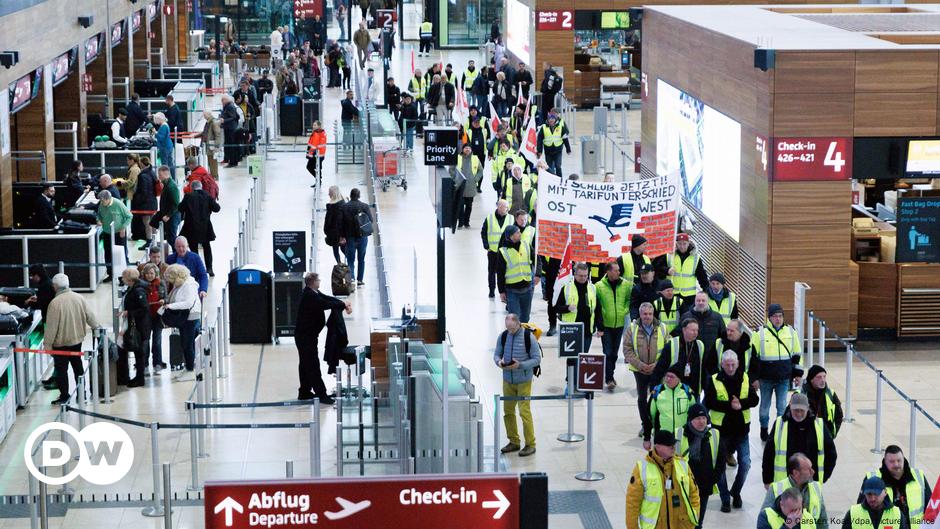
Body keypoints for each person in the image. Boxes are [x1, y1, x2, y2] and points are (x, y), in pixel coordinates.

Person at [704, 351, 760, 512]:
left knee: (746, 464)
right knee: (720, 467)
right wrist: (730, 405)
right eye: (727, 364)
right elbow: (709, 401)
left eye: (733, 364)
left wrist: (741, 404)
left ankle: (736, 491)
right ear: (722, 365)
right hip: (720, 431)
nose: (730, 367)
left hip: (741, 430)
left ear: (737, 364)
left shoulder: (745, 378)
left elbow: (754, 400)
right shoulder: (714, 379)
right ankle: (724, 498)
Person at [295, 272, 351, 404]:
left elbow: (327, 298)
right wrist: (341, 305)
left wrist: (342, 303)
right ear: (313, 282)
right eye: (318, 280)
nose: (320, 282)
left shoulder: (313, 292)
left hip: (309, 336)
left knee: (305, 364)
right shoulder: (309, 296)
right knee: (312, 364)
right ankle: (322, 394)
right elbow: (324, 304)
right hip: (305, 337)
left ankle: (304, 392)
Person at [626, 429, 700, 529]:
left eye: (673, 444)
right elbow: (632, 503)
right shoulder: (642, 468)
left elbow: (694, 493)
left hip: (682, 526)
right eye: (669, 446)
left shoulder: (683, 464)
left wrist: (694, 516)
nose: (673, 448)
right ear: (657, 446)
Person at [44, 273, 98, 404]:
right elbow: (90, 316)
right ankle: (82, 394)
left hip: (60, 344)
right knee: (78, 367)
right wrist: (97, 328)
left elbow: (51, 327)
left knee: (61, 371)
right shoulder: (79, 298)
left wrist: (48, 345)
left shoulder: (55, 303)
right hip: (77, 340)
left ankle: (64, 396)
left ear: (55, 286)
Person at [762, 393, 837, 485]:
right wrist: (767, 480)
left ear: (807, 408)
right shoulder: (779, 424)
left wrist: (823, 477)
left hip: (811, 482)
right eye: (795, 410)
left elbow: (831, 453)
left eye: (802, 410)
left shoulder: (819, 425)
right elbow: (768, 454)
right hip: (784, 483)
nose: (799, 413)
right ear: (790, 407)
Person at [494, 313, 541, 457]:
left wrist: (520, 365)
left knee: (524, 412)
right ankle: (513, 441)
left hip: (524, 381)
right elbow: (496, 355)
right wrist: (499, 362)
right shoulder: (503, 336)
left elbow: (537, 359)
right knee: (508, 412)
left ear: (518, 324)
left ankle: (530, 444)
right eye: (508, 328)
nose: (510, 331)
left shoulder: (528, 337)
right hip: (507, 380)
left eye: (512, 329)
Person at [757, 304, 803, 441]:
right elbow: (754, 356)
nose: (778, 319)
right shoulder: (760, 333)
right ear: (769, 318)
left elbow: (797, 355)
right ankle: (764, 429)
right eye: (775, 316)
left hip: (783, 378)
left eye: (780, 316)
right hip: (765, 379)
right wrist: (753, 378)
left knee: (781, 407)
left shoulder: (790, 332)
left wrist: (798, 375)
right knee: (764, 408)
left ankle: (780, 431)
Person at [624, 302, 669, 438]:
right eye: (644, 314)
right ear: (640, 314)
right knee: (642, 398)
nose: (647, 317)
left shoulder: (663, 328)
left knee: (658, 398)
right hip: (640, 371)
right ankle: (645, 425)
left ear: (653, 314)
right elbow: (627, 349)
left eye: (650, 314)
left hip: (658, 370)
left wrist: (656, 365)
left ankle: (658, 424)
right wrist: (640, 365)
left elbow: (668, 350)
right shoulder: (632, 328)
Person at [858, 445, 930, 528]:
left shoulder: (918, 476)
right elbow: (861, 509)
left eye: (899, 460)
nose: (896, 464)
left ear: (903, 459)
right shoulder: (872, 478)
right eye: (892, 461)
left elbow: (931, 507)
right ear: (885, 461)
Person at [679, 403, 724, 528]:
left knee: (698, 522)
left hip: (704, 486)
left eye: (704, 418)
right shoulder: (679, 434)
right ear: (690, 420)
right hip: (683, 486)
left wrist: (713, 478)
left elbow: (721, 459)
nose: (701, 421)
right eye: (698, 418)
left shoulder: (714, 434)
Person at [762, 454, 827, 529]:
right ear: (796, 473)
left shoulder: (816, 487)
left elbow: (822, 521)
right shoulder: (776, 489)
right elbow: (764, 521)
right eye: (808, 469)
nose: (813, 471)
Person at [596, 260, 630, 391]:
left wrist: (624, 310)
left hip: (620, 324)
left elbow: (628, 300)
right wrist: (599, 326)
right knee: (608, 352)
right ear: (608, 271)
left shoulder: (626, 285)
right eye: (616, 270)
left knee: (615, 354)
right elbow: (597, 307)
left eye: (619, 270)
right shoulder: (599, 286)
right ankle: (609, 378)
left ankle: (610, 375)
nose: (619, 272)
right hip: (606, 325)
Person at [160, 264, 201, 372]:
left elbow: (188, 303)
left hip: (190, 317)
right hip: (184, 317)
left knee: (187, 344)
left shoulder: (188, 285)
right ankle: (189, 366)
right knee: (185, 343)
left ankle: (190, 368)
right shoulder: (180, 284)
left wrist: (170, 306)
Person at [555, 263, 602, 353]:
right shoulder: (566, 288)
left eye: (585, 276)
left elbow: (597, 309)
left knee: (583, 358)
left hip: (587, 330)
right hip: (571, 330)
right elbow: (557, 308)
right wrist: (567, 308)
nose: (583, 278)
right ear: (575, 275)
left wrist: (600, 328)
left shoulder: (592, 288)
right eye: (580, 276)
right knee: (572, 360)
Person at [645, 365, 695, 449]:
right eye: (667, 376)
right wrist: (647, 438)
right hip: (662, 436)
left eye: (672, 377)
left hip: (682, 436)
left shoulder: (687, 392)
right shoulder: (657, 392)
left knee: (682, 461)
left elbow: (694, 415)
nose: (668, 379)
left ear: (679, 379)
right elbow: (649, 416)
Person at [653, 317, 706, 396]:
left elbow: (702, 370)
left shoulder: (700, 345)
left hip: (693, 390)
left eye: (697, 330)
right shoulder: (672, 345)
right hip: (675, 390)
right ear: (684, 330)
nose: (696, 333)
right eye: (693, 330)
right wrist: (653, 388)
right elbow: (659, 369)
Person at [655, 232, 708, 311]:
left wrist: (706, 291)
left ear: (688, 244)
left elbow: (702, 276)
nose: (682, 246)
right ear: (676, 244)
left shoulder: (696, 258)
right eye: (679, 243)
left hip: (689, 297)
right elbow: (656, 267)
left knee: (687, 319)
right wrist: (667, 270)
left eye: (684, 244)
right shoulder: (669, 255)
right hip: (672, 293)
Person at [497, 224, 538, 323]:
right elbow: (500, 273)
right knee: (514, 319)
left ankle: (523, 337)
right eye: (517, 232)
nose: (520, 234)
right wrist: (501, 291)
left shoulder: (526, 245)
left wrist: (538, 274)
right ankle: (515, 338)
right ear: (511, 236)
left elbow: (537, 260)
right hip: (512, 291)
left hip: (527, 289)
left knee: (525, 318)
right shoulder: (503, 252)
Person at [179, 181, 220, 277]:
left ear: (192, 188)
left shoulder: (188, 196)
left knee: (194, 248)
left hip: (191, 226)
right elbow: (217, 208)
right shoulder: (207, 195)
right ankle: (209, 268)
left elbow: (180, 208)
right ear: (201, 187)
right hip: (205, 226)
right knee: (207, 247)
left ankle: (197, 269)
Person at [119, 268, 152, 387]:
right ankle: (137, 377)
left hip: (140, 326)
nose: (122, 279)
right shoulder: (133, 288)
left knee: (139, 353)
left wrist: (129, 313)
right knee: (138, 353)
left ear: (129, 278)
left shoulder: (138, 291)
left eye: (123, 277)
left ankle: (140, 378)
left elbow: (144, 308)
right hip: (137, 324)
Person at [675, 292, 726, 366]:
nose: (700, 303)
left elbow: (723, 336)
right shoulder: (686, 317)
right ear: (695, 302)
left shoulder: (717, 317)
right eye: (698, 300)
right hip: (691, 359)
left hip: (712, 360)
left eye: (703, 300)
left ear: (707, 302)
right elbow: (679, 336)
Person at [705, 318, 759, 384]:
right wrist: (719, 378)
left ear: (740, 333)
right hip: (722, 383)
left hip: (742, 384)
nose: (728, 333)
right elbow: (710, 364)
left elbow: (755, 368)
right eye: (727, 330)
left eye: (732, 331)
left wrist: (749, 381)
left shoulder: (749, 346)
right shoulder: (718, 343)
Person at [841, 477, 906, 529]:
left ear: (885, 492)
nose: (872, 498)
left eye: (876, 494)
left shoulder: (897, 514)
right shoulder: (853, 513)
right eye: (869, 494)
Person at [96, 190, 132, 282]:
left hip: (118, 233)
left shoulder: (118, 204)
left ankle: (122, 277)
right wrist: (98, 220)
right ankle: (110, 274)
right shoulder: (101, 205)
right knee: (107, 254)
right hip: (107, 232)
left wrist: (123, 227)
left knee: (119, 254)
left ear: (108, 199)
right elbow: (99, 215)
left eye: (103, 201)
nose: (102, 203)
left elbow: (129, 216)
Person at [800, 365, 844, 440]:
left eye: (824, 376)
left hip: (825, 436)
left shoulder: (831, 394)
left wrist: (832, 433)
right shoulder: (800, 395)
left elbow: (839, 415)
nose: (823, 380)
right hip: (806, 438)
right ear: (811, 379)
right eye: (819, 377)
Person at [341, 188, 372, 286]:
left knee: (350, 259)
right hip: (362, 236)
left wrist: (342, 236)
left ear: (350, 195)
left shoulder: (345, 207)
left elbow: (341, 223)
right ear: (359, 196)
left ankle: (352, 278)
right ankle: (360, 279)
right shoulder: (364, 206)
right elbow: (370, 219)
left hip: (350, 237)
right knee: (361, 259)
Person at [140, 262, 167, 372]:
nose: (150, 275)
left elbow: (166, 297)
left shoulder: (161, 283)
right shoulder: (141, 285)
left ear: (155, 273)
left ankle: (157, 362)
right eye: (147, 273)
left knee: (157, 340)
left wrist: (163, 301)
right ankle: (144, 364)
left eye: (152, 273)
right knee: (145, 341)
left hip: (157, 316)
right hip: (145, 317)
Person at [482, 200, 511, 298]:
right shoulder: (489, 218)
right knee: (491, 272)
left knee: (504, 272)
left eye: (507, 207)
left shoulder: (511, 218)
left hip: (506, 252)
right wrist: (486, 246)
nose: (507, 209)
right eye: (505, 207)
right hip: (493, 251)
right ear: (499, 207)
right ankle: (491, 290)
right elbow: (484, 232)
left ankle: (504, 291)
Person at [130, 156, 158, 249]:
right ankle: (153, 240)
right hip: (152, 201)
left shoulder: (143, 175)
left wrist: (137, 201)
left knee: (147, 222)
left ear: (142, 163)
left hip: (146, 204)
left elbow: (143, 191)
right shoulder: (152, 172)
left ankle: (149, 241)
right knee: (152, 222)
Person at [456, 144, 482, 228]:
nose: (467, 149)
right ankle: (461, 222)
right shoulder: (458, 158)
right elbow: (452, 169)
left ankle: (466, 222)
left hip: (471, 186)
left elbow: (480, 171)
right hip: (460, 186)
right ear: (463, 149)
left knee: (469, 206)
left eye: (469, 148)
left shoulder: (475, 158)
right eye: (466, 148)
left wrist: (475, 179)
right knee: (460, 205)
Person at [156, 165, 181, 242]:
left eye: (160, 175)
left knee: (171, 238)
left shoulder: (171, 186)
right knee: (170, 238)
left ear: (166, 173)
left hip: (172, 216)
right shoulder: (167, 185)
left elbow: (176, 204)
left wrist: (168, 215)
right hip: (169, 215)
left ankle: (177, 253)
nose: (159, 177)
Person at [325, 186, 346, 263]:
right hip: (343, 233)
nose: (328, 194)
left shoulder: (331, 206)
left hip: (334, 233)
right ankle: (349, 265)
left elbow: (328, 221)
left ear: (333, 194)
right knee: (344, 249)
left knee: (336, 251)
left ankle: (339, 265)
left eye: (329, 192)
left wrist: (326, 231)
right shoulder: (344, 203)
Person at [200, 110, 223, 177]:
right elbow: (205, 132)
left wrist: (216, 146)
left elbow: (217, 135)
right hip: (209, 145)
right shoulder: (208, 122)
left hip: (212, 145)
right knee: (210, 161)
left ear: (208, 114)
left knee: (213, 162)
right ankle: (212, 175)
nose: (204, 117)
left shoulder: (213, 122)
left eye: (204, 115)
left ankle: (215, 176)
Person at [220, 95, 241, 167]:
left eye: (222, 100)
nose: (221, 102)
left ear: (226, 100)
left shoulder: (230, 106)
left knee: (231, 145)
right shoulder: (227, 106)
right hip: (228, 128)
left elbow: (233, 117)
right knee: (227, 144)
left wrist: (224, 120)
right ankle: (227, 159)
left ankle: (232, 162)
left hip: (231, 129)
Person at [306, 121, 327, 187]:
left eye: (315, 125)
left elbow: (314, 146)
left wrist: (309, 155)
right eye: (313, 125)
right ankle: (318, 181)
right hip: (321, 154)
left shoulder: (316, 134)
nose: (313, 126)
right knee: (318, 168)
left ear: (319, 126)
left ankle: (318, 180)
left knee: (309, 167)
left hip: (316, 155)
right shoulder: (322, 132)